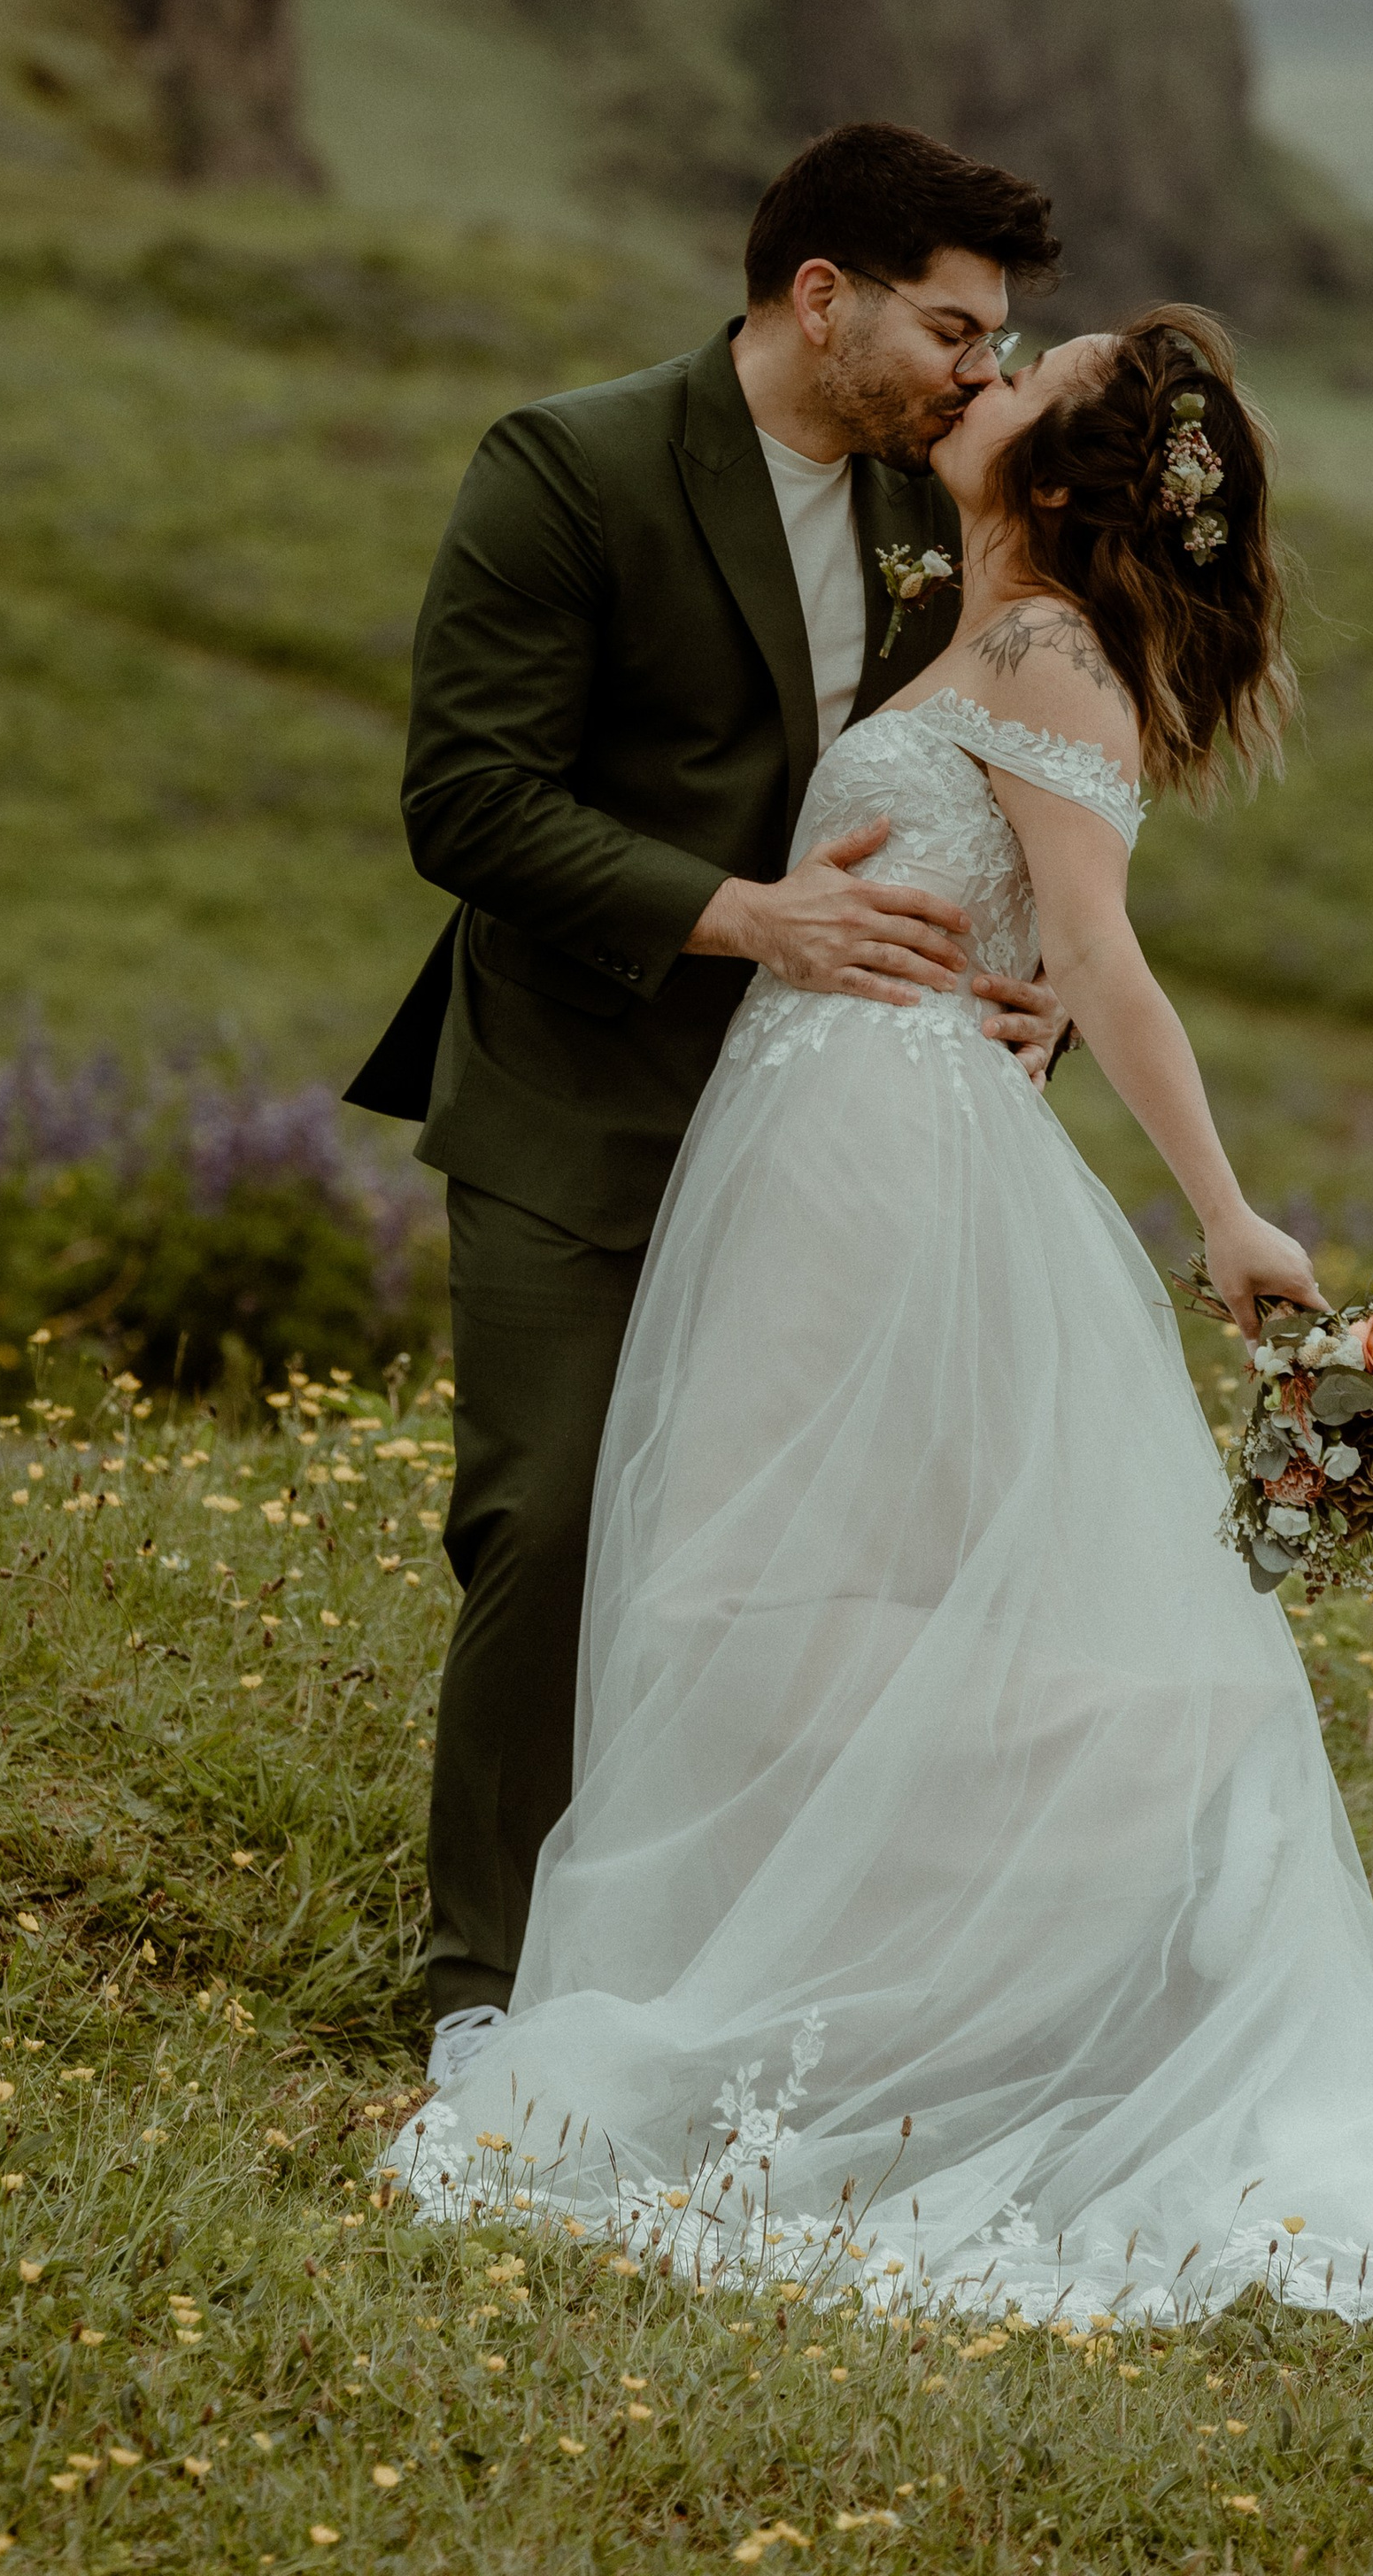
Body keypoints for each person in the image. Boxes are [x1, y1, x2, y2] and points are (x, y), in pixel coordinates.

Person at [394, 306, 1373, 2346]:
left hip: (888, 1151)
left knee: (790, 1586)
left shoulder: (1041, 647)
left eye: (1023, 370)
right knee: (765, 1575)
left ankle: (962, 1985)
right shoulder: (972, 600)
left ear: (1062, 473)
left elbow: (1097, 946)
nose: (973, 379)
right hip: (818, 1129)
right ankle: (838, 1979)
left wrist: (1226, 1207)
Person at [347, 121, 1070, 2086]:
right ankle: (482, 1996)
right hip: (585, 1099)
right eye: (949, 328)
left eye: (994, 342)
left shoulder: (941, 522)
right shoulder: (563, 468)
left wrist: (1031, 993)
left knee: (819, 1552)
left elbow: (991, 784)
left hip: (846, 1132)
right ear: (814, 295)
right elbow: (464, 802)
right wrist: (741, 920)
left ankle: (742, 1952)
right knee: (554, 1516)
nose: (977, 377)